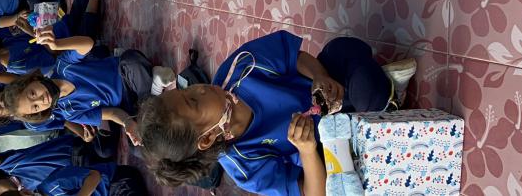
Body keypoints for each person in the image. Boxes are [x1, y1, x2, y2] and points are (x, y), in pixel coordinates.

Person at [136, 32, 417, 195]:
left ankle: (383, 99)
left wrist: (319, 76)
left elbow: (295, 58)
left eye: (187, 89)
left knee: (354, 67)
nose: (200, 88)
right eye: (193, 101)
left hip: (334, 81)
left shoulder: (240, 68)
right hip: (333, 149)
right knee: (347, 183)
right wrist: (307, 150)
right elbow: (313, 192)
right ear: (207, 139)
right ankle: (384, 101)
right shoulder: (244, 167)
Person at [2, 28, 156, 143]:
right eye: (36, 107)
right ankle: (153, 94)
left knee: (132, 61)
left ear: (33, 80)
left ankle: (152, 97)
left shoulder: (63, 66)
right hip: (127, 101)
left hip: (124, 73)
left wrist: (57, 44)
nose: (41, 100)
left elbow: (87, 43)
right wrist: (127, 122)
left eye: (32, 94)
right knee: (139, 142)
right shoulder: (70, 113)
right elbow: (112, 113)